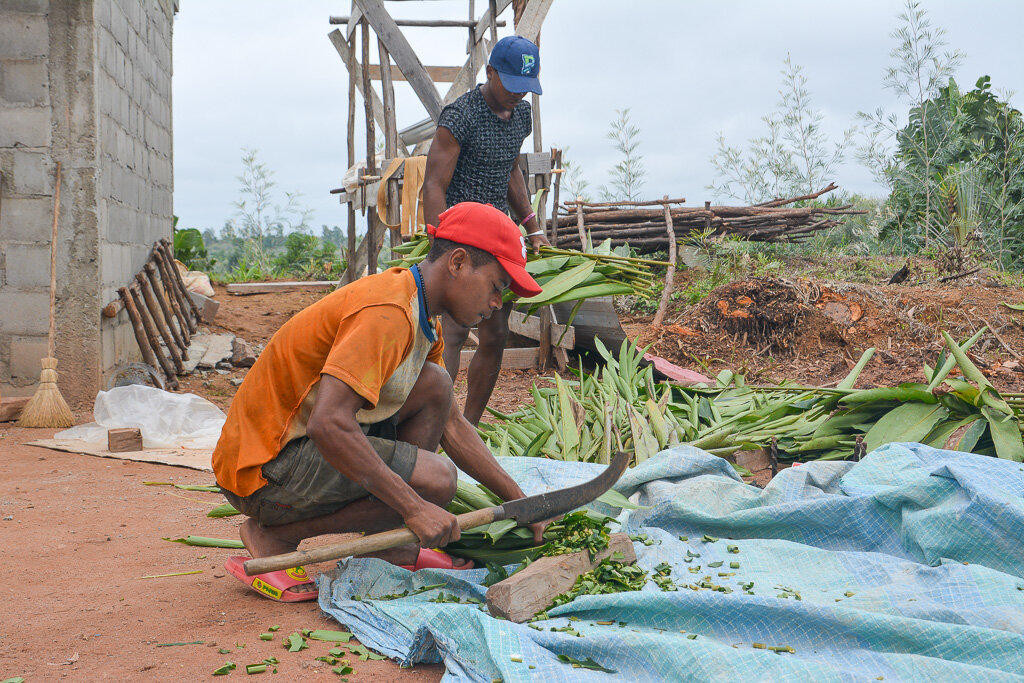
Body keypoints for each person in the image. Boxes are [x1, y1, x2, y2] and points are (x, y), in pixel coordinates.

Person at [213, 202, 545, 602]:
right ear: (458, 262)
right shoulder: (387, 310)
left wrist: (523, 503)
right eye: (496, 286)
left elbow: (453, 424)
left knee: (436, 385)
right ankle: (275, 534)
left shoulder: (424, 316)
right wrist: (414, 507)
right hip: (265, 468)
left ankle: (390, 543)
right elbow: (328, 424)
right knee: (437, 479)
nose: (497, 302)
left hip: (299, 452)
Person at [423, 35, 550, 425]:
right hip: (461, 239)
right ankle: (437, 424)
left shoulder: (522, 117)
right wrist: (442, 246)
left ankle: (470, 426)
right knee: (455, 333)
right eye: (511, 84)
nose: (517, 95)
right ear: (490, 72)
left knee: (496, 334)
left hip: (500, 240)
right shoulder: (460, 117)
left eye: (525, 88)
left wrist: (532, 226)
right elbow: (433, 185)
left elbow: (510, 167)